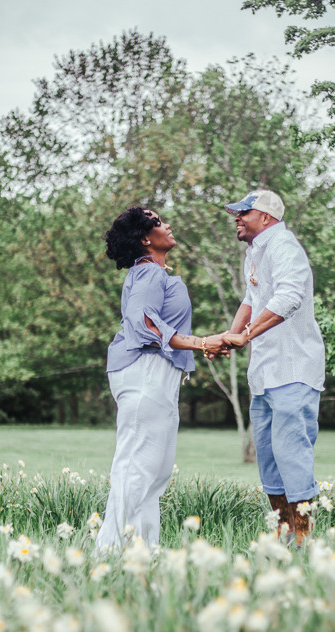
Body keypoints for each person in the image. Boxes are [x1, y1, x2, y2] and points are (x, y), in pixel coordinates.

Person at [97, 206, 229, 549]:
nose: (167, 224)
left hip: (157, 373)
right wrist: (201, 343)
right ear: (145, 238)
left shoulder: (154, 274)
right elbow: (145, 322)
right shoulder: (148, 274)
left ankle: (142, 552)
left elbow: (159, 326)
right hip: (145, 371)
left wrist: (199, 345)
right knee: (137, 468)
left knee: (154, 473)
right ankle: (109, 553)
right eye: (158, 222)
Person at [219, 190, 326, 546]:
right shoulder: (254, 254)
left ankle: (304, 540)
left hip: (293, 370)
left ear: (265, 217)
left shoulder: (284, 247)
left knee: (292, 455)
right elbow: (251, 301)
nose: (236, 217)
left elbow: (289, 297)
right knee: (268, 458)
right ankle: (283, 535)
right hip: (264, 375)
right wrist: (229, 338)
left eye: (243, 212)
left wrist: (245, 336)